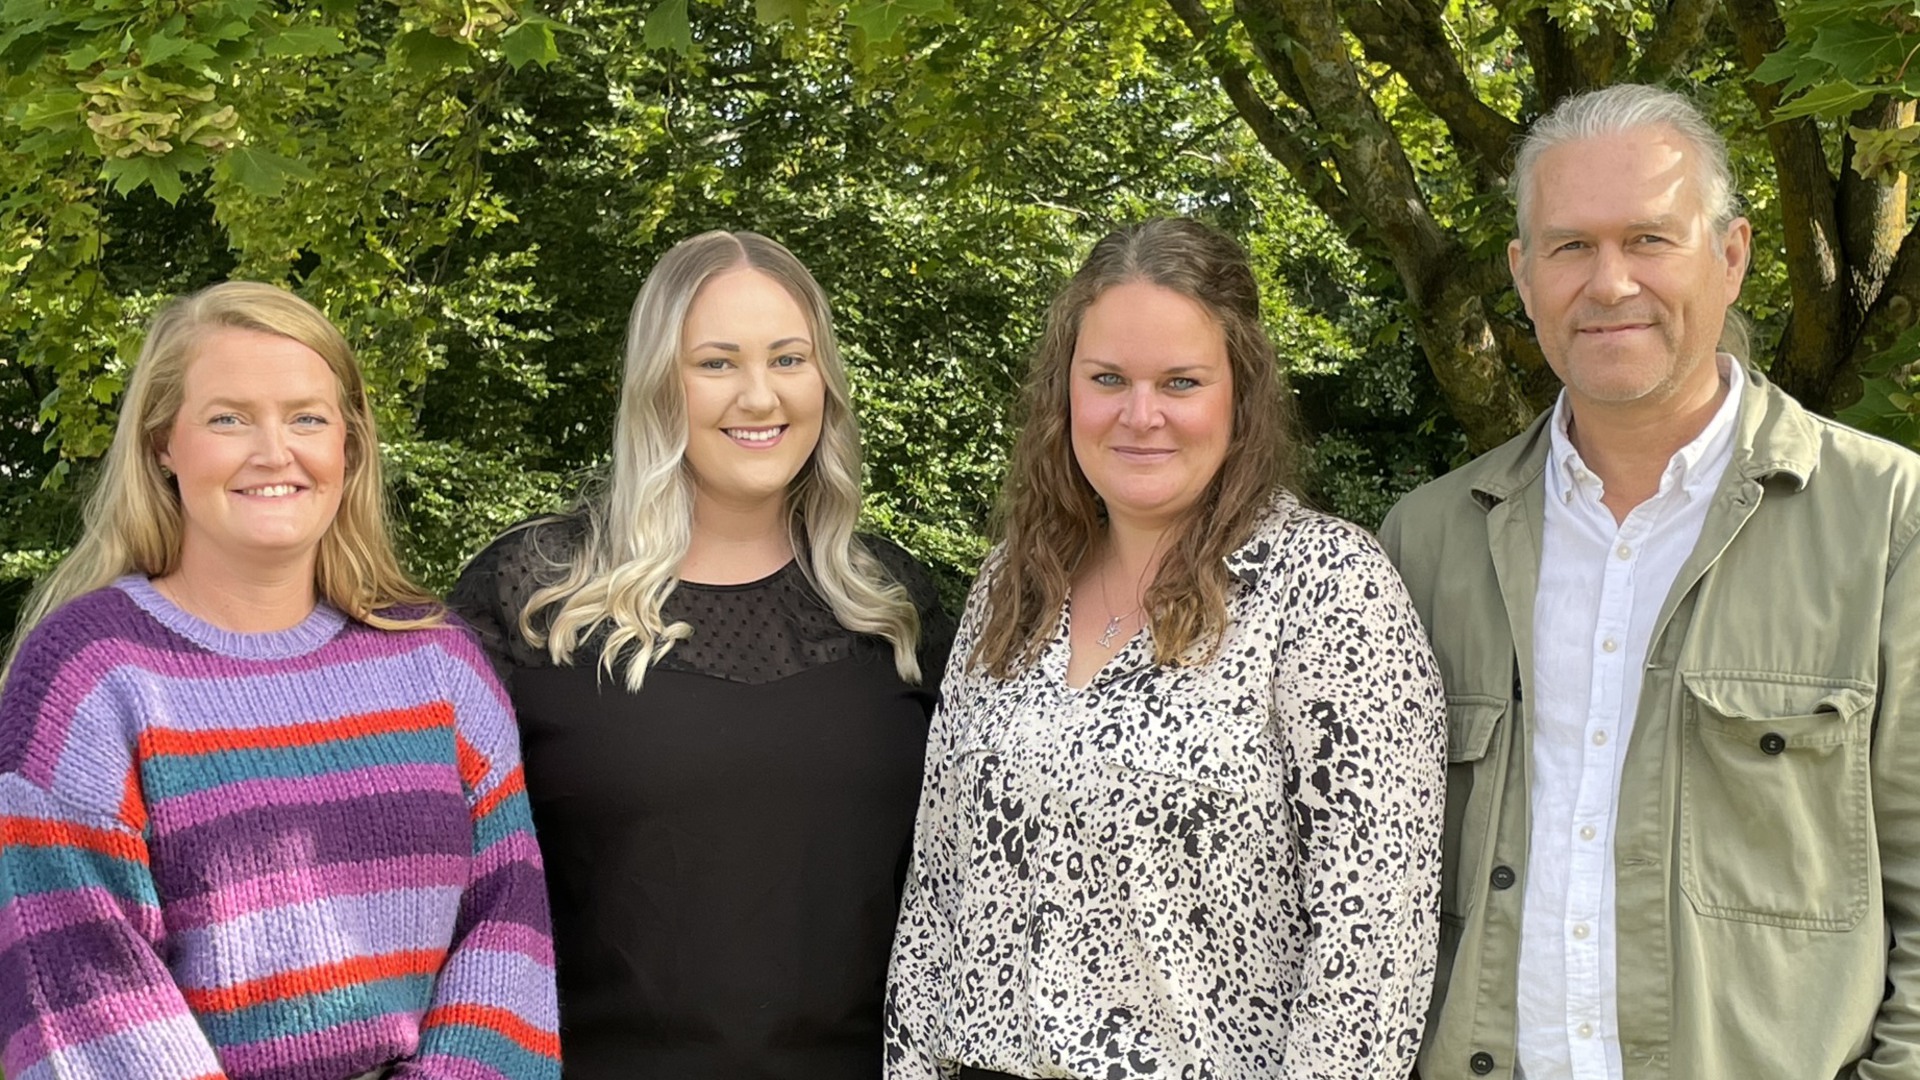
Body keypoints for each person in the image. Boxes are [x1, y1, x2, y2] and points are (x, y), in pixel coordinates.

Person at [1379, 83, 1920, 1080]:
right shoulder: (1426, 542)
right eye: (1571, 246)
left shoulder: (1888, 522)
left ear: (1733, 256)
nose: (1610, 282)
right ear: (1523, 274)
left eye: (1649, 240)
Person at [884, 217, 1447, 1080]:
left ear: (1240, 394)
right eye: (1108, 378)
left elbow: (1372, 940)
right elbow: (934, 896)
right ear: (1065, 390)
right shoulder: (1012, 584)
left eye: (1180, 381)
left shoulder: (1324, 586)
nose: (1140, 416)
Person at [0, 282, 559, 1080]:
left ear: (347, 445)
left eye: (307, 417)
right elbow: (81, 995)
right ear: (164, 444)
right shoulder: (88, 680)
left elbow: (507, 933)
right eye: (228, 418)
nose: (274, 450)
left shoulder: (437, 667)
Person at [449, 229, 953, 1078]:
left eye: (789, 359)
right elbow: (434, 881)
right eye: (717, 363)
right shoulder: (535, 597)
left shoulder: (898, 606)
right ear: (657, 383)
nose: (760, 396)